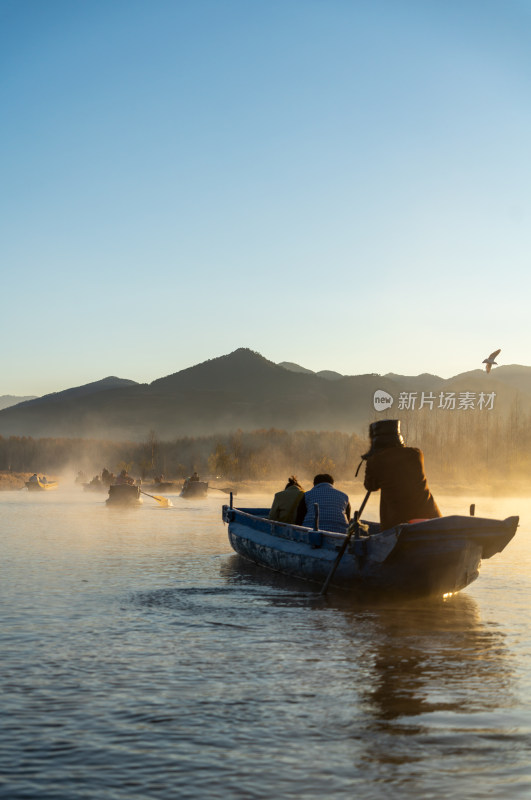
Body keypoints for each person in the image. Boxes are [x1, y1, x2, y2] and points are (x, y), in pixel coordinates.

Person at [361, 419, 441, 531]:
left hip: (399, 524)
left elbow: (370, 486)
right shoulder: (416, 453)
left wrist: (370, 461)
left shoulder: (376, 460)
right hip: (431, 517)